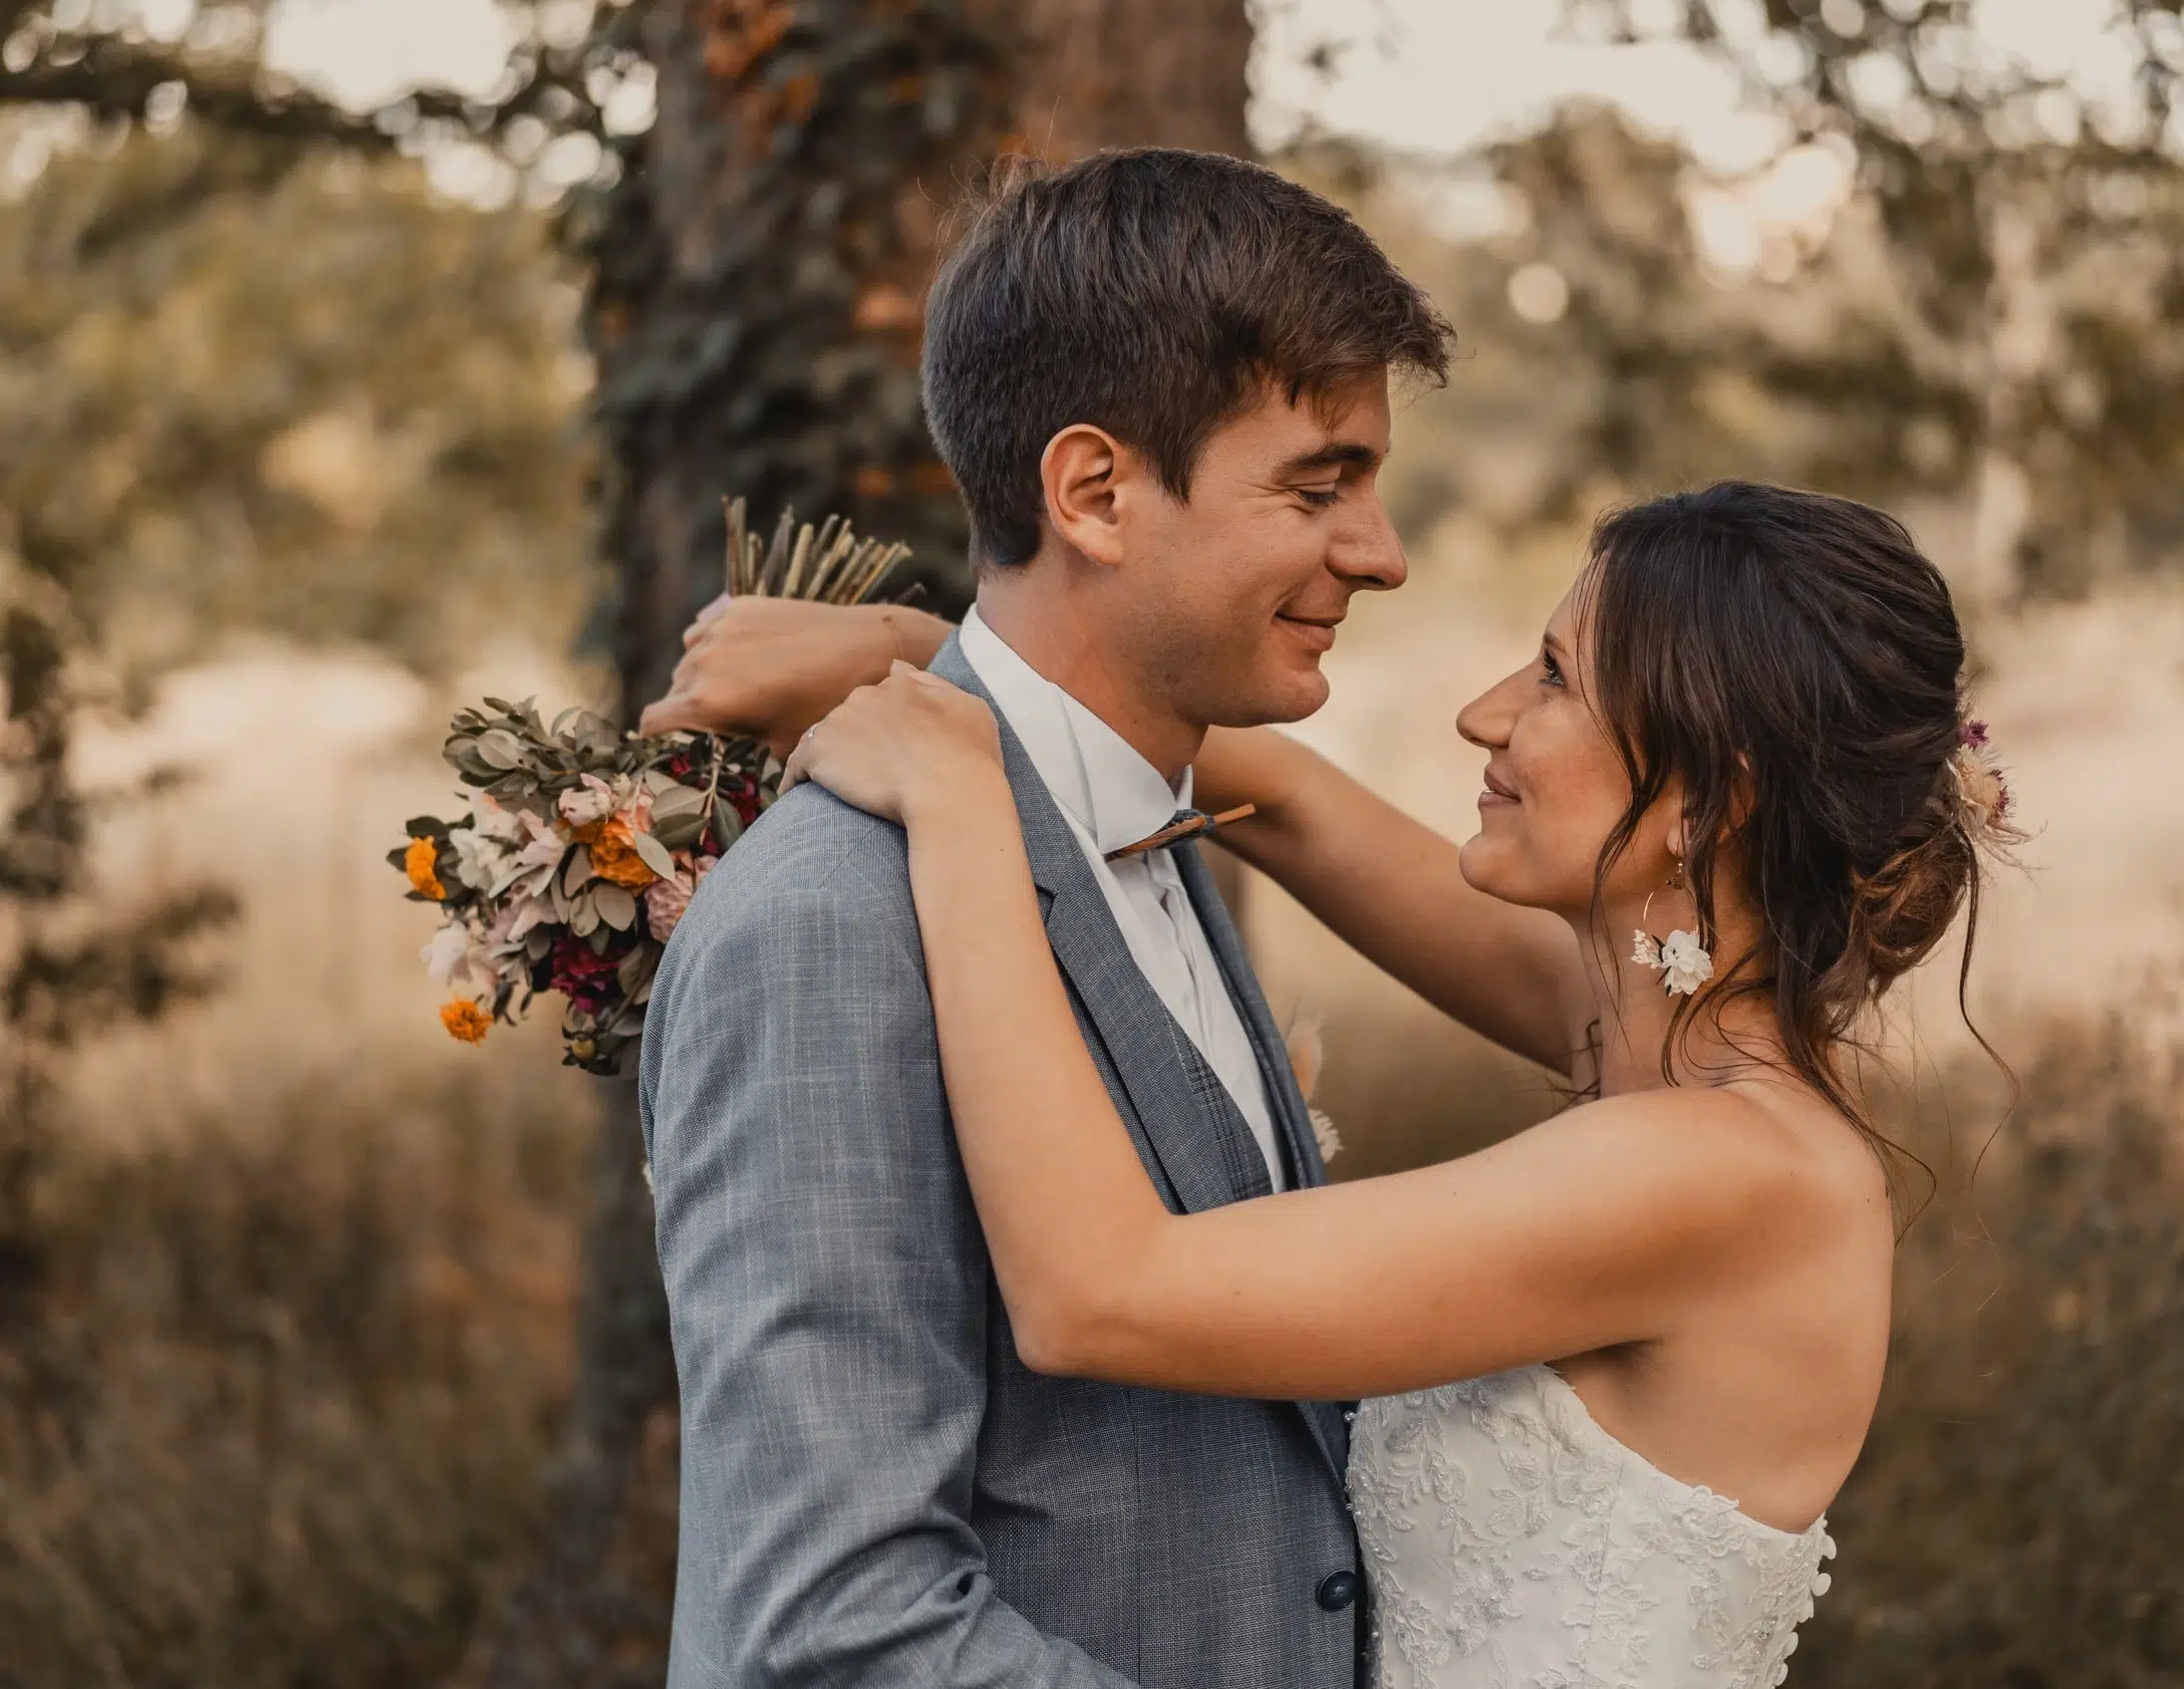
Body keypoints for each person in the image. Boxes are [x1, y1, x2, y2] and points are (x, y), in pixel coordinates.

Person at [681, 481, 2021, 1686]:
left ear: (1706, 805)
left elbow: (1101, 1289)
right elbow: (1295, 802)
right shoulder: (1663, 1030)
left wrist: (964, 808)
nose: (1482, 710)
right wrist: (928, 661)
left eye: (1555, 678)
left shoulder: (1722, 1171)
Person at [636, 146, 1451, 1689]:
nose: (1381, 551)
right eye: (1320, 482)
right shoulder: (829, 922)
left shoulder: (1164, 814)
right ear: (1093, 492)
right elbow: (831, 1628)